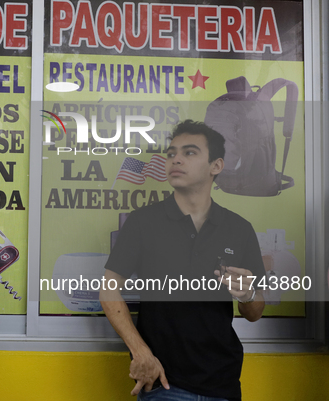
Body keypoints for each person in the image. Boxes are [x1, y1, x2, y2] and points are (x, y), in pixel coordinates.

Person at [100, 120, 266, 401]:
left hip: (222, 384)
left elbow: (254, 311)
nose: (175, 159)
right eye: (171, 152)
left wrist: (248, 293)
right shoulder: (143, 222)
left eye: (189, 152)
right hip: (164, 383)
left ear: (216, 166)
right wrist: (141, 353)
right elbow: (108, 289)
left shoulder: (239, 228)